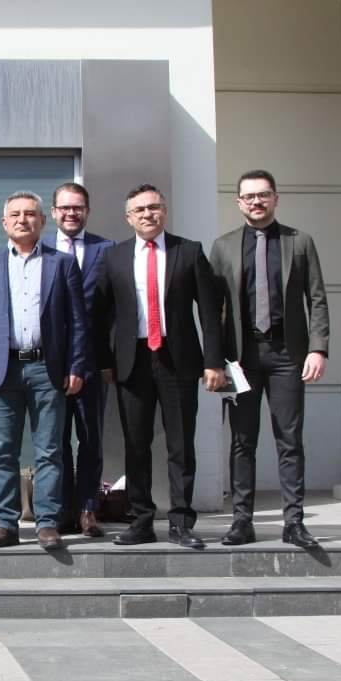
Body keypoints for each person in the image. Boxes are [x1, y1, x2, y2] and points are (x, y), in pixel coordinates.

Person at [94, 184, 225, 548]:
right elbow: (101, 314)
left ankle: (182, 523)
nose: (147, 214)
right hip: (131, 362)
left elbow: (210, 311)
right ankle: (141, 520)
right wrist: (104, 362)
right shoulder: (114, 257)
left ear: (164, 211)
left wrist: (214, 361)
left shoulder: (189, 251)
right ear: (129, 217)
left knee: (181, 445)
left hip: (178, 360)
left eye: (154, 207)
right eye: (140, 210)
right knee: (136, 444)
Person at [209, 169, 329, 549]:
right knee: (242, 440)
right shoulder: (223, 247)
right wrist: (215, 361)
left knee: (289, 439)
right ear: (239, 202)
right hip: (240, 358)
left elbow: (317, 298)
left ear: (275, 198)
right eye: (249, 196)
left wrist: (318, 347)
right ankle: (242, 522)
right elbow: (213, 311)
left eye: (263, 195)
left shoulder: (299, 242)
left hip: (287, 355)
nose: (256, 202)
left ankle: (294, 522)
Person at [0, 191, 87, 549]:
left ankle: (47, 523)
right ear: (4, 223)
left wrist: (76, 365)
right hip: (2, 370)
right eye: (15, 214)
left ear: (43, 221)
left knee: (50, 451)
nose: (22, 219)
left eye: (30, 214)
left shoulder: (62, 264)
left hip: (48, 369)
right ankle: (5, 523)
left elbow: (78, 322)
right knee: (3, 452)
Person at [50, 182, 114, 537]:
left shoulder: (107, 250)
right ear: (54, 212)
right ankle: (62, 508)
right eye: (65, 207)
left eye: (77, 207)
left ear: (87, 211)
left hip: (91, 361)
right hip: (50, 361)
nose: (71, 213)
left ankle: (88, 509)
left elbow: (116, 308)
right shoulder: (41, 249)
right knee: (55, 439)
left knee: (91, 438)